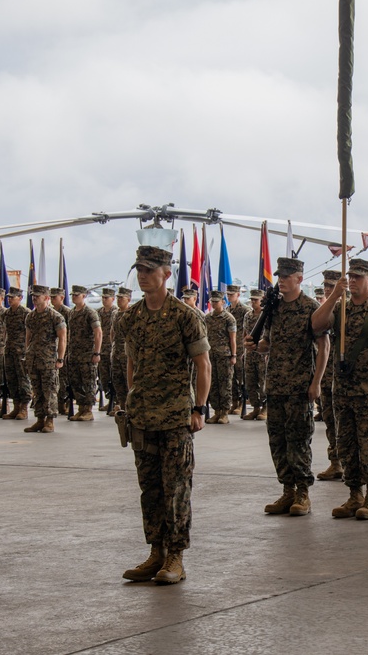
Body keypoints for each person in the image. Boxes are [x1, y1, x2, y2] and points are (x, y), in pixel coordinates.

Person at [120, 246, 211, 585]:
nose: (143, 275)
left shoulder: (184, 315)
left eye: (149, 269)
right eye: (139, 269)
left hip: (175, 417)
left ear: (166, 273)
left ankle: (175, 557)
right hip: (143, 417)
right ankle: (156, 552)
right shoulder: (131, 317)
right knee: (150, 490)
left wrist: (199, 408)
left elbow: (203, 365)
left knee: (176, 490)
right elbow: (131, 362)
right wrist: (131, 401)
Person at [312, 259, 368, 521]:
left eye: (358, 277)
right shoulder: (340, 309)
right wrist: (333, 297)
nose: (352, 281)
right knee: (346, 445)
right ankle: (354, 494)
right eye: (350, 276)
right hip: (343, 390)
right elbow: (317, 325)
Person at [246, 257, 329, 516]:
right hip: (276, 385)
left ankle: (303, 493)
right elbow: (268, 344)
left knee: (299, 440)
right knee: (277, 441)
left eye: (287, 276)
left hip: (300, 386)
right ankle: (287, 490)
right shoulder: (274, 307)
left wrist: (316, 382)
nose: (281, 280)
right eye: (279, 276)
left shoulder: (310, 307)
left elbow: (323, 347)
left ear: (299, 279)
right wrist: (256, 346)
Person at [24, 284, 67, 433]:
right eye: (33, 297)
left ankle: (50, 420)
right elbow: (28, 338)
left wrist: (60, 359)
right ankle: (39, 419)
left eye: (38, 296)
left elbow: (62, 339)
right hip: (34, 359)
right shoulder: (30, 316)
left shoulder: (55, 316)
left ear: (47, 298)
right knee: (37, 390)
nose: (35, 299)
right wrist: (27, 354)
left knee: (50, 390)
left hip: (49, 360)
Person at [315, 270, 342, 478]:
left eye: (331, 285)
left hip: (347, 378)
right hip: (327, 375)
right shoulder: (324, 310)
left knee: (346, 423)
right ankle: (335, 461)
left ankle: (349, 463)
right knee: (330, 420)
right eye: (325, 285)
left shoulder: (347, 309)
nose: (326, 289)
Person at [68, 285, 102, 421]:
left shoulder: (90, 313)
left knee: (88, 383)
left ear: (84, 296)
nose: (74, 297)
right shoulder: (72, 313)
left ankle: (88, 410)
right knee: (76, 382)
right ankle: (81, 408)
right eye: (73, 295)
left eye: (77, 294)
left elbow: (98, 333)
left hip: (87, 354)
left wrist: (97, 352)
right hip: (74, 354)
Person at [0, 287, 32, 421]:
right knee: (11, 380)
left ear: (20, 298)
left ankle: (24, 408)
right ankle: (16, 406)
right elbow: (5, 331)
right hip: (9, 351)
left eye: (12, 297)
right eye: (9, 297)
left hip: (21, 352)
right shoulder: (6, 314)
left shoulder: (26, 313)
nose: (10, 299)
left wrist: (27, 350)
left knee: (23, 380)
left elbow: (30, 333)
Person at [205, 291, 237, 423]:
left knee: (225, 385)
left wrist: (234, 355)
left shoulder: (229, 318)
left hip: (225, 356)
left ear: (223, 302)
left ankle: (224, 413)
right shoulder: (207, 318)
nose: (214, 304)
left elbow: (232, 339)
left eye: (216, 301)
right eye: (212, 301)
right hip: (211, 355)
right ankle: (216, 411)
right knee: (213, 384)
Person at [240, 289, 268, 422]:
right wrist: (243, 351)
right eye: (251, 299)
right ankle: (255, 407)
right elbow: (245, 333)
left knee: (263, 381)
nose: (252, 302)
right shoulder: (247, 315)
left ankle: (265, 408)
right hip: (250, 353)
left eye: (255, 299)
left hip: (262, 353)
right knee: (250, 381)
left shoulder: (266, 315)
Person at [226, 284, 251, 415]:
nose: (229, 296)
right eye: (228, 294)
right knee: (232, 377)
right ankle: (234, 401)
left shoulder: (245, 310)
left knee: (242, 376)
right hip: (230, 348)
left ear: (238, 295)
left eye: (232, 294)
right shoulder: (227, 310)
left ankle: (242, 403)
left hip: (241, 348)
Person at [109, 286, 132, 416]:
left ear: (128, 299)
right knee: (117, 381)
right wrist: (113, 346)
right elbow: (112, 331)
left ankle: (130, 407)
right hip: (116, 352)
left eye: (121, 298)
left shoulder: (131, 313)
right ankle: (122, 405)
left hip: (126, 353)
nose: (118, 300)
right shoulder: (115, 313)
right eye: (117, 298)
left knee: (128, 380)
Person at [50, 288, 73, 415]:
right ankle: (59, 403)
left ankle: (67, 403)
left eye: (55, 297)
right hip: (53, 350)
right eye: (51, 297)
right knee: (57, 379)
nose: (53, 299)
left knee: (65, 378)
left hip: (65, 349)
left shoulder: (67, 312)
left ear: (62, 298)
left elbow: (70, 334)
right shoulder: (51, 312)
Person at [97, 288, 116, 413]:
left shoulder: (116, 312)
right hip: (102, 350)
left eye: (107, 298)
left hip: (113, 349)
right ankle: (110, 400)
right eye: (103, 297)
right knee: (104, 377)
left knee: (115, 377)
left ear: (112, 299)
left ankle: (117, 401)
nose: (104, 300)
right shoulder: (98, 312)